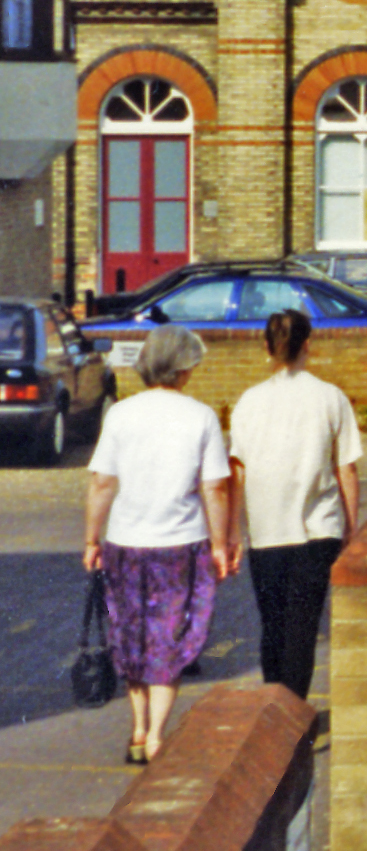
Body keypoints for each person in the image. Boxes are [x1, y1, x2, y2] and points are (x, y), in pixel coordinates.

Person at [83, 324, 234, 765]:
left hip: (126, 542)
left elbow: (101, 483)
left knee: (132, 635)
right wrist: (221, 544)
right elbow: (216, 489)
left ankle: (136, 728)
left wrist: (92, 538)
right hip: (180, 545)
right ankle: (156, 737)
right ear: (182, 368)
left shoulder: (121, 415)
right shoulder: (200, 416)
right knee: (170, 637)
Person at [230, 309, 362, 709]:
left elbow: (238, 472)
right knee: (302, 631)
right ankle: (293, 715)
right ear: (308, 345)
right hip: (317, 533)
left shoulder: (248, 402)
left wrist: (234, 532)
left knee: (272, 628)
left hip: (266, 533)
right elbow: (347, 469)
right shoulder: (330, 397)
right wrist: (351, 529)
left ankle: (275, 717)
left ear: (266, 348)